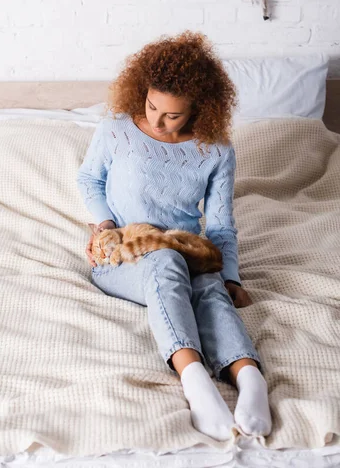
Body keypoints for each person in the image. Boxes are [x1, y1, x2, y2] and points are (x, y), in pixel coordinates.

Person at [77, 31, 272, 441]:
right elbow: (90, 179)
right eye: (151, 107)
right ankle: (194, 377)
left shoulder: (216, 151)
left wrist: (231, 275)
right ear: (141, 91)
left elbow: (219, 224)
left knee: (210, 285)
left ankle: (250, 377)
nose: (156, 121)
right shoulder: (116, 130)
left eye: (172, 116)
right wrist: (105, 225)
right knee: (166, 263)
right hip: (121, 256)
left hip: (184, 249)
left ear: (199, 109)